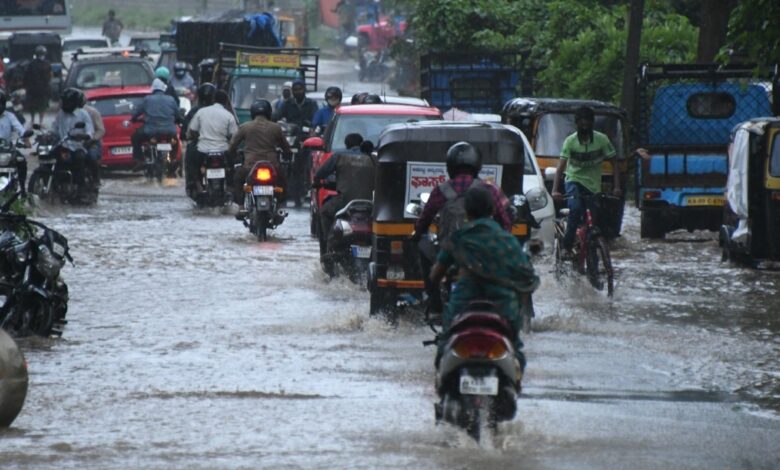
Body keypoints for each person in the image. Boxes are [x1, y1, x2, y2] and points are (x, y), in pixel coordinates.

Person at [430, 185, 539, 371]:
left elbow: (435, 275)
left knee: (445, 343)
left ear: (467, 210)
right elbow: (526, 276)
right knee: (515, 349)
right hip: (503, 304)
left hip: (464, 301)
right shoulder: (507, 240)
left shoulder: (459, 238)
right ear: (492, 210)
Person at [411, 142, 513, 313]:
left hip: (451, 253)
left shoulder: (441, 190)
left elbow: (424, 219)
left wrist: (416, 235)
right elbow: (505, 221)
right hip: (485, 254)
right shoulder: (490, 189)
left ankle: (434, 304)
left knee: (423, 246)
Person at [551, 106, 622, 258]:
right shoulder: (570, 142)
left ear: (592, 123)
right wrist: (555, 190)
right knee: (575, 210)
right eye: (581, 123)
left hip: (593, 185)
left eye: (587, 122)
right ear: (577, 124)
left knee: (594, 220)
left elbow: (615, 163)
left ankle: (592, 254)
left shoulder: (601, 140)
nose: (584, 126)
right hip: (573, 181)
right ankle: (566, 246)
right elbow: (560, 168)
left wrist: (617, 187)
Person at [313, 133, 375, 272]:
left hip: (344, 202)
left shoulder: (339, 156)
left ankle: (327, 248)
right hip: (370, 205)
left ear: (347, 145)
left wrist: (316, 182)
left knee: (324, 212)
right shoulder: (373, 159)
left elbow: (320, 173)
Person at [227, 99, 292, 208]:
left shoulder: (245, 127)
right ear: (269, 112)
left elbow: (232, 146)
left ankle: (241, 206)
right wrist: (288, 154)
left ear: (252, 112)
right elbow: (285, 147)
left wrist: (233, 155)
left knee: (238, 179)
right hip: (272, 165)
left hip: (250, 165)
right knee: (283, 180)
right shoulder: (276, 127)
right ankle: (280, 205)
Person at [272, 79, 318, 207]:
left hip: (305, 139)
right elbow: (277, 115)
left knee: (304, 165)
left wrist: (311, 127)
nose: (298, 92)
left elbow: (315, 120)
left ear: (304, 90)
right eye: (295, 90)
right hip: (289, 138)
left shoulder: (311, 104)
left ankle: (304, 190)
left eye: (300, 89)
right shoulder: (287, 103)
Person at [187, 88, 238, 193]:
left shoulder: (201, 112)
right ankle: (229, 185)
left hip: (203, 150)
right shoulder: (229, 115)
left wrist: (197, 139)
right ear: (225, 102)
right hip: (223, 150)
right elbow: (234, 135)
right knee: (234, 164)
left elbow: (192, 130)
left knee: (192, 162)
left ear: (213, 100)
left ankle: (198, 184)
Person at [130, 79, 182, 165]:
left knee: (135, 137)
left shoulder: (147, 99)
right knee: (175, 141)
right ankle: (173, 161)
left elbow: (137, 113)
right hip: (169, 131)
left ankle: (140, 160)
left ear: (153, 89)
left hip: (151, 131)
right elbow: (178, 115)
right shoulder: (171, 99)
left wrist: (133, 119)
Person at [52, 88, 95, 190]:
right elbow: (54, 128)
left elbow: (90, 130)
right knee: (50, 155)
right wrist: (47, 135)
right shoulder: (60, 114)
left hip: (77, 147)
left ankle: (80, 186)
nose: (66, 103)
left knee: (79, 159)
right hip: (62, 146)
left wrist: (84, 136)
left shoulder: (83, 114)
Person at [182, 82, 216, 194]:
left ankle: (195, 183)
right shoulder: (222, 111)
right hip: (218, 146)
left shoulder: (194, 111)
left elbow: (185, 131)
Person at [0, 89, 30, 195]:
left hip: (7, 149)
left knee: (21, 161)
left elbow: (20, 129)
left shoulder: (9, 116)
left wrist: (26, 139)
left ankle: (22, 190)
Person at [78, 89, 105, 186]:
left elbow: (101, 130)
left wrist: (92, 139)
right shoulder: (65, 113)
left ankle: (95, 179)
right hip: (72, 143)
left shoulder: (92, 112)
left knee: (91, 157)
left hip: (91, 142)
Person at [23, 45, 51, 126]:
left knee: (40, 105)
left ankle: (37, 121)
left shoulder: (43, 64)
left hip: (38, 88)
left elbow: (48, 77)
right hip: (36, 88)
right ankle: (36, 121)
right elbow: (27, 76)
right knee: (37, 105)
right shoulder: (33, 64)